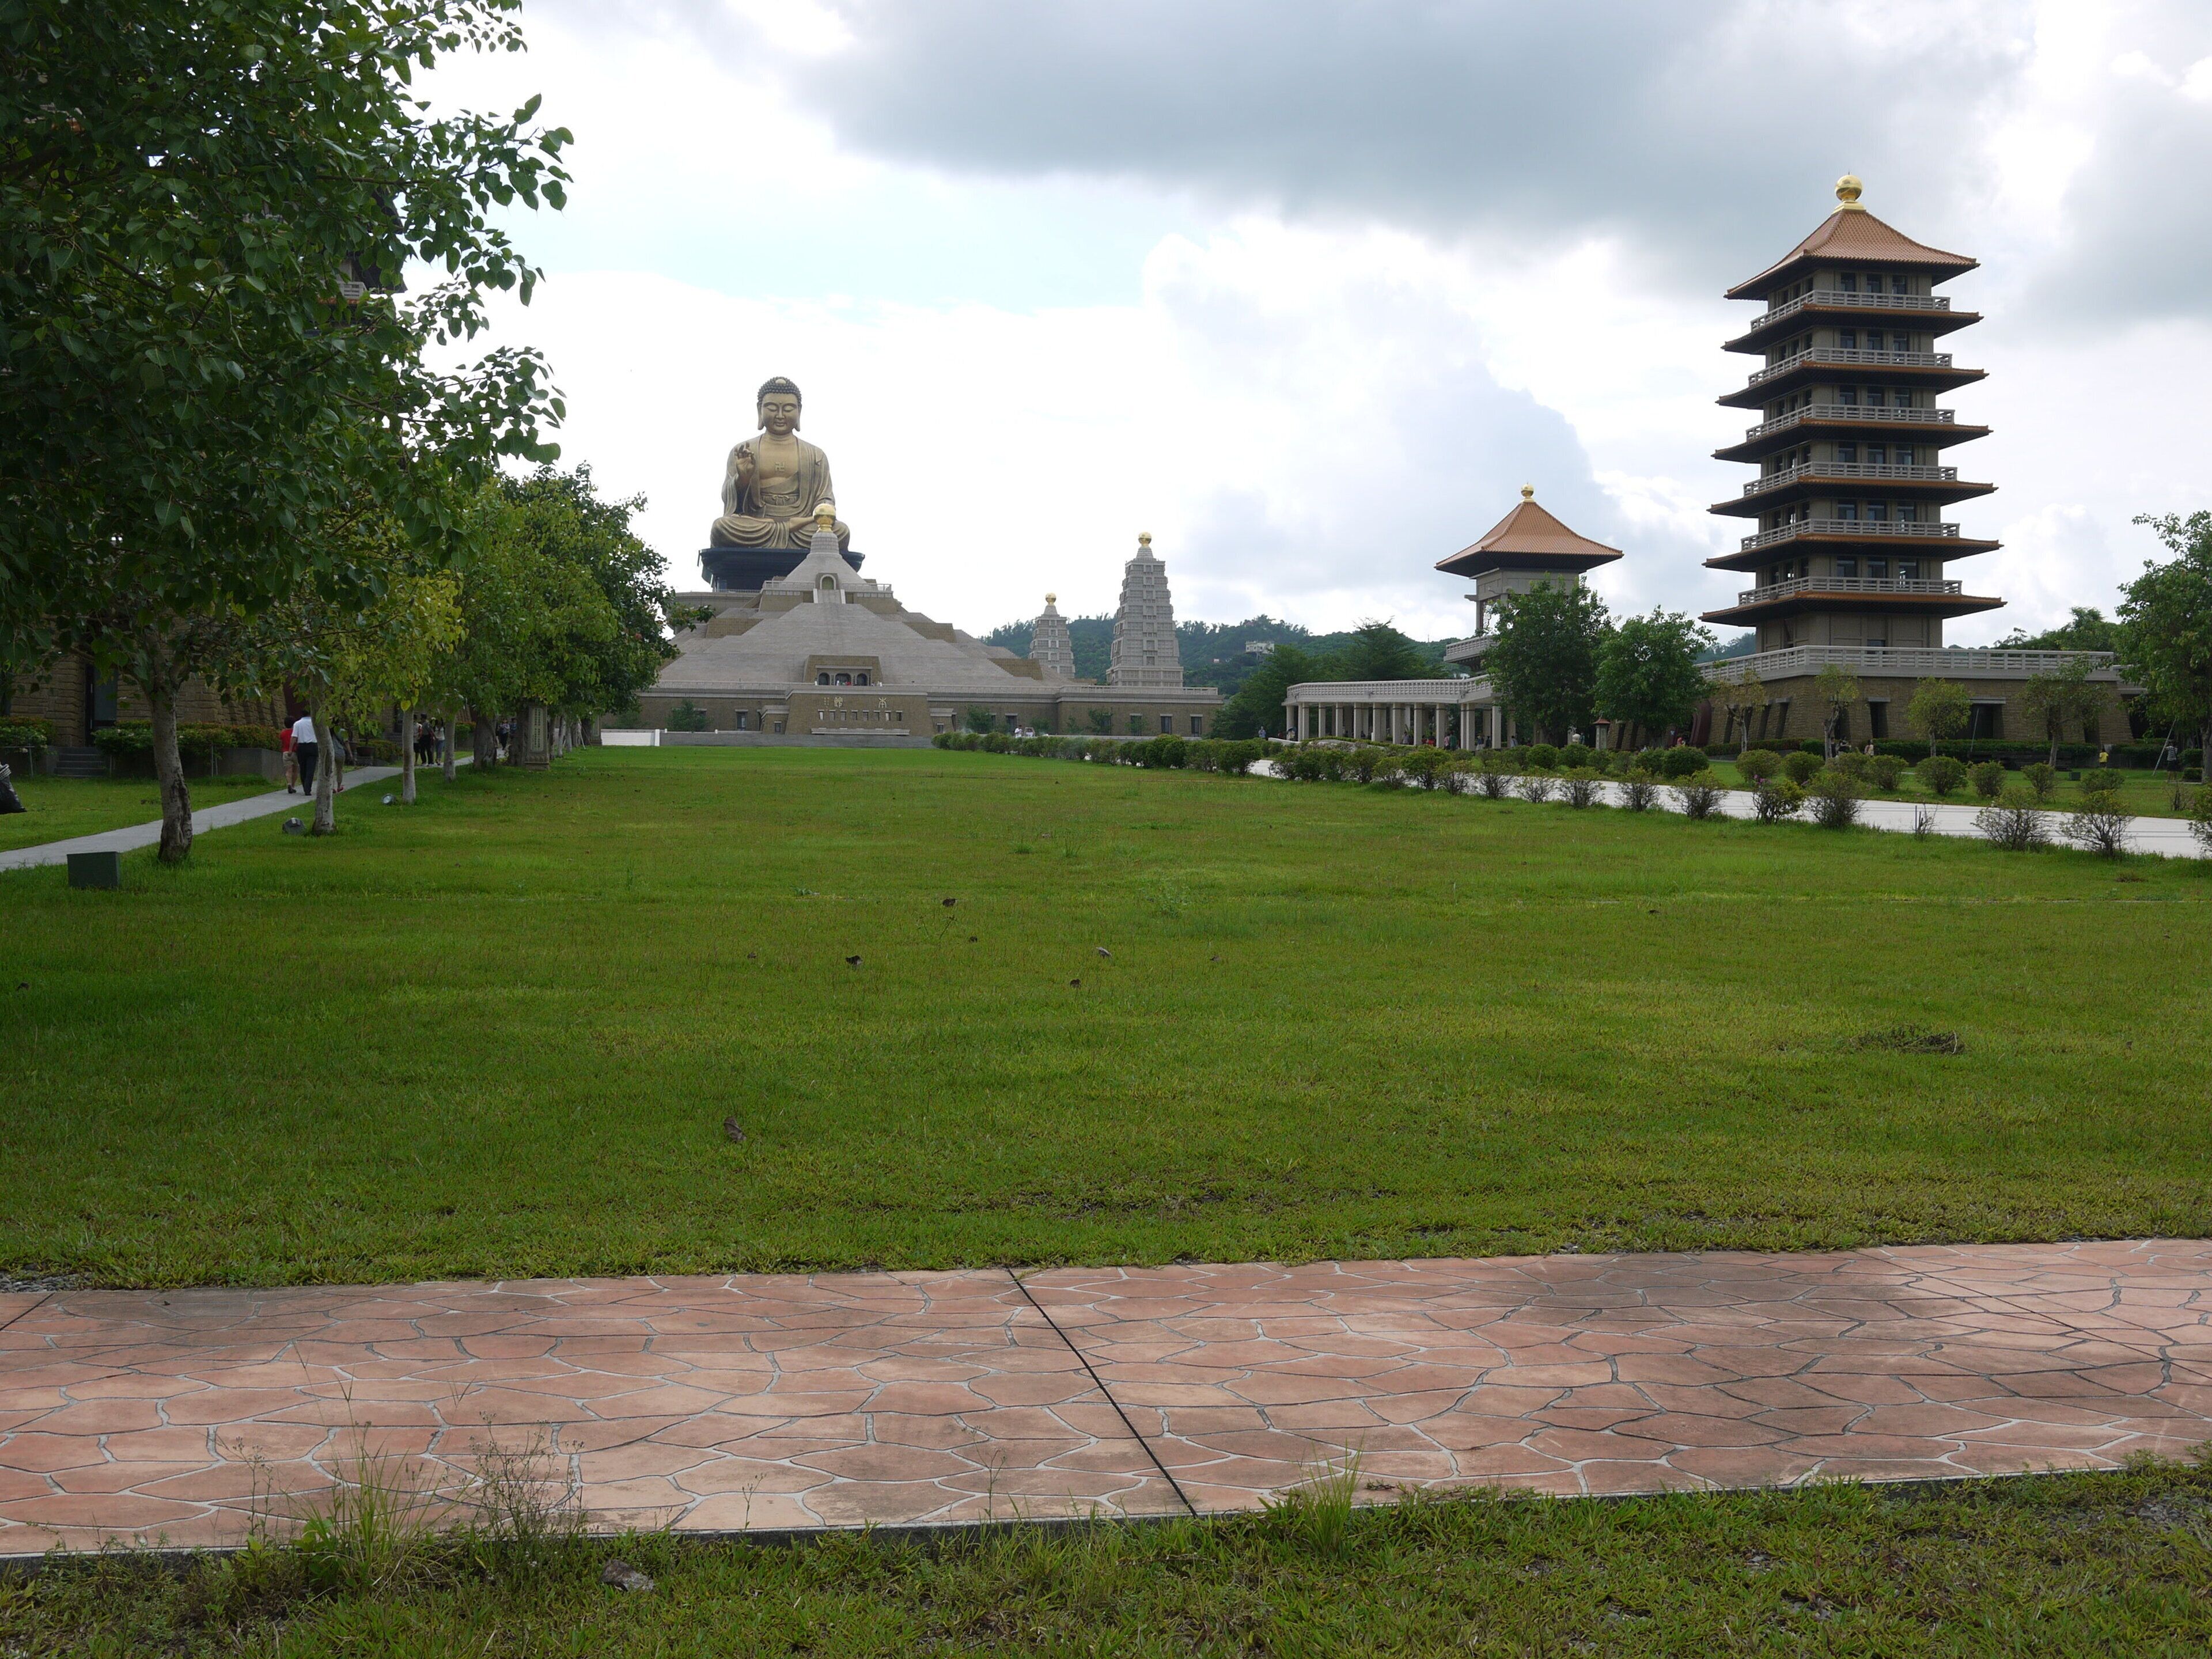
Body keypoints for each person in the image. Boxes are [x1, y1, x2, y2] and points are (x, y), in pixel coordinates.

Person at [291, 711, 319, 797]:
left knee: (303, 768)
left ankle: (304, 785)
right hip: (313, 746)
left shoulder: (297, 724)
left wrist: (290, 749)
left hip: (302, 747)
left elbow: (294, 737)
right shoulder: (315, 723)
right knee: (311, 769)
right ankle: (308, 788)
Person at [280, 720, 298, 793]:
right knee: (295, 770)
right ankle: (293, 786)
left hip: (285, 752)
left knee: (288, 770)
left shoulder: (283, 733)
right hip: (294, 752)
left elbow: (281, 742)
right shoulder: (294, 732)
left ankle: (289, 784)